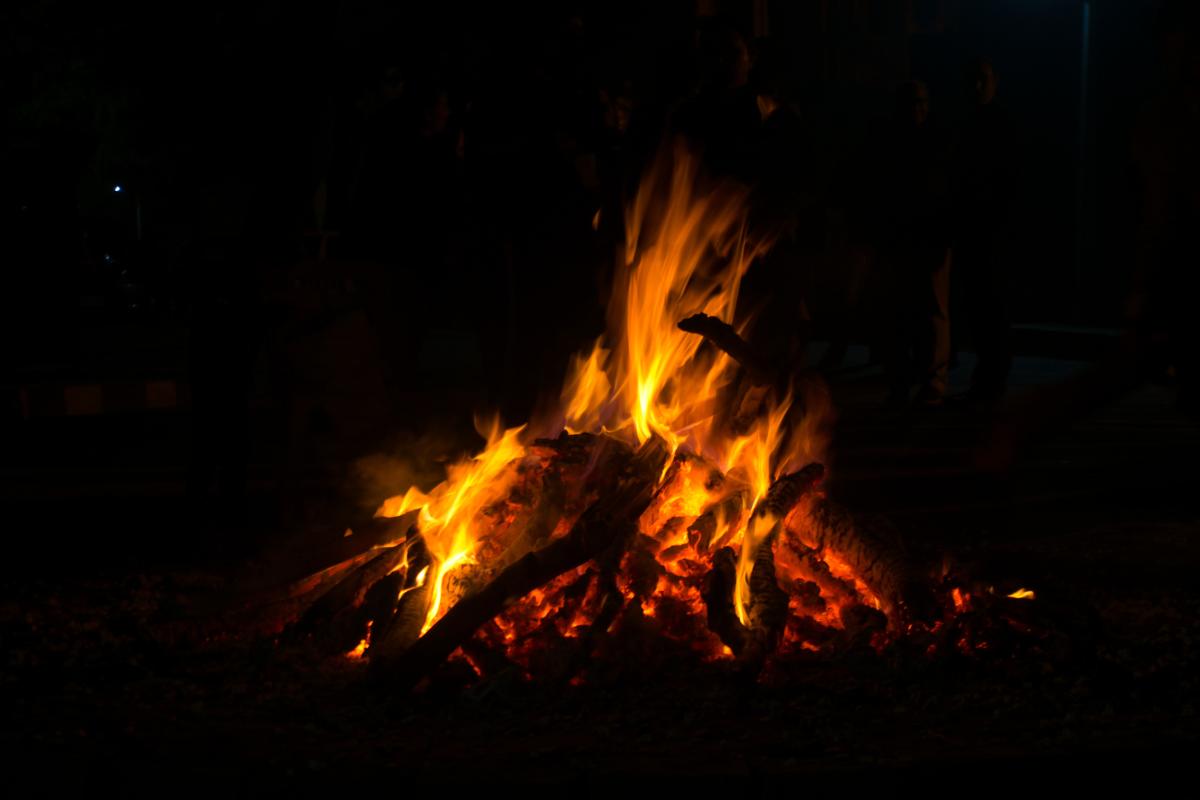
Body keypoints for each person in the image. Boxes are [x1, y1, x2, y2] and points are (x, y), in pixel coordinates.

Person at [868, 81, 953, 408]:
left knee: (932, 310)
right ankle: (903, 380)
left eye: (922, 102)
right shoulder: (895, 144)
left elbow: (945, 192)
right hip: (902, 237)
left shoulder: (936, 144)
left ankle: (933, 380)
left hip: (930, 236)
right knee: (900, 312)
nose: (917, 109)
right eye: (912, 103)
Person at [952, 58, 1015, 407]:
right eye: (972, 81)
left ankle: (993, 381)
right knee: (979, 308)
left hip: (992, 233)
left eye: (983, 80)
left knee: (993, 308)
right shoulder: (967, 125)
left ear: (994, 82)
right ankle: (987, 380)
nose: (977, 87)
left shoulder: (1000, 126)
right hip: (973, 230)